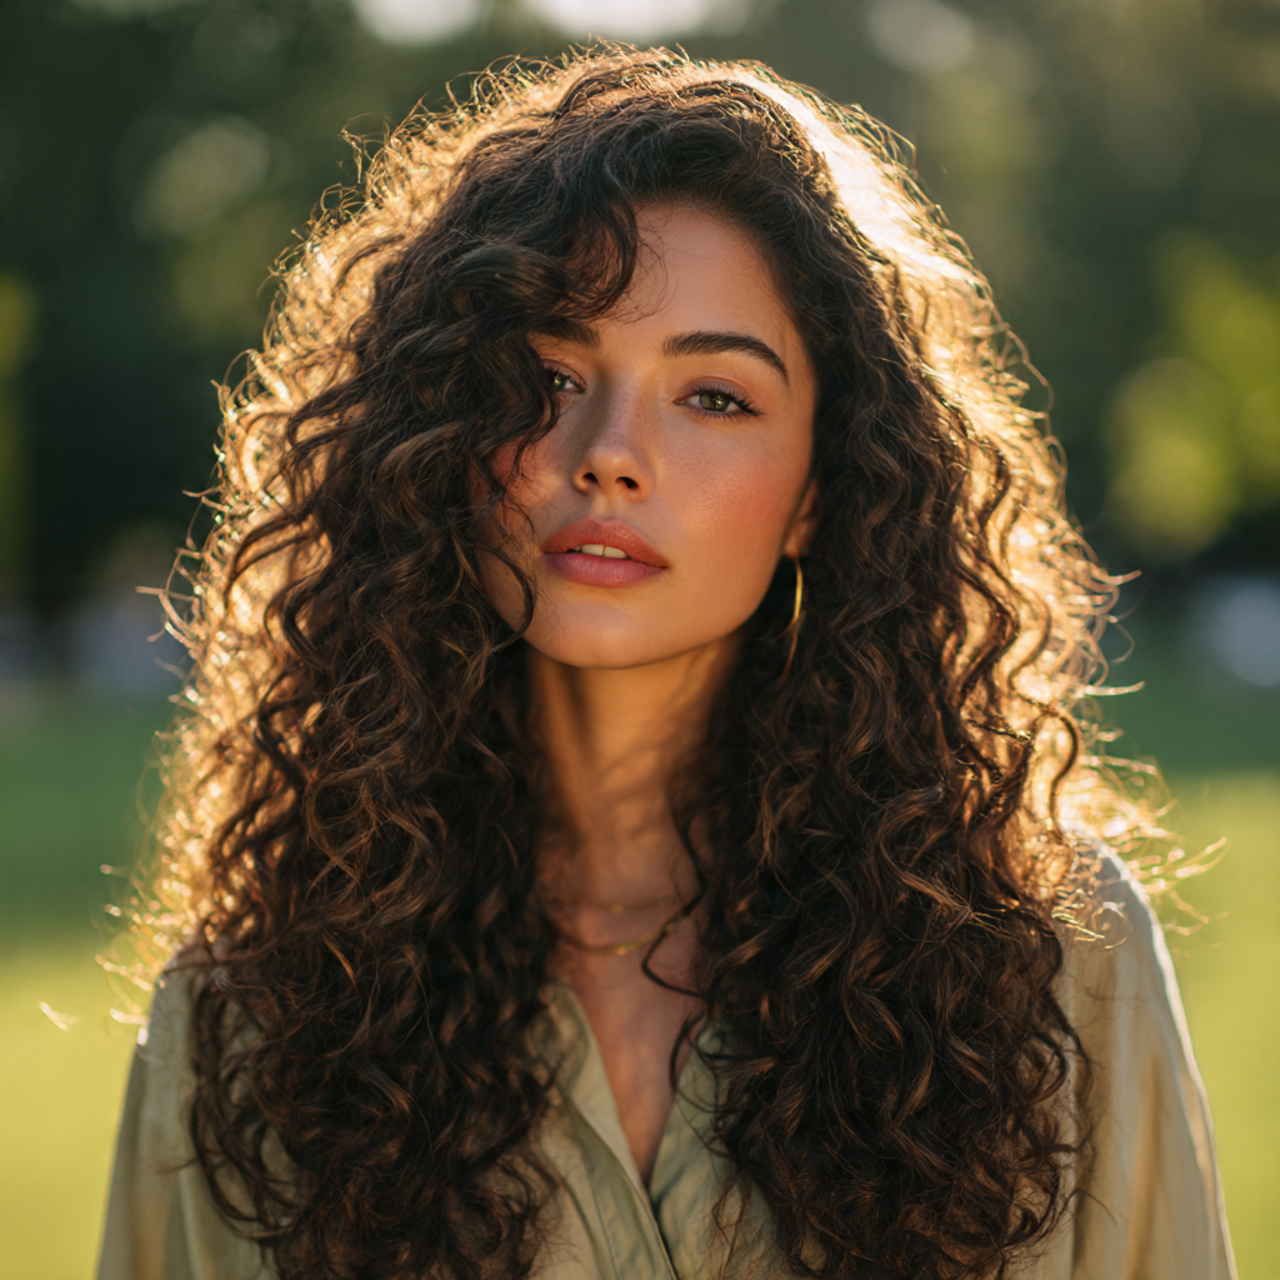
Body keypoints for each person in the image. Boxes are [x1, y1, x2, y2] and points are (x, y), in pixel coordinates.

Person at [97, 48, 1234, 1280]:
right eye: (545, 376)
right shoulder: (253, 1011)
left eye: (714, 396)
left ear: (820, 491)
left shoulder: (1054, 957)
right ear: (437, 434)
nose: (609, 454)